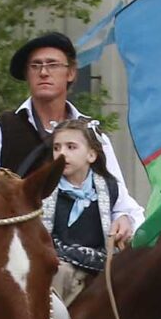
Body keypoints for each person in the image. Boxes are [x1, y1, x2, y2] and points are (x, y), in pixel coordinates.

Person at [0, 32, 142, 248]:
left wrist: (125, 219)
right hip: (15, 264)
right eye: (35, 66)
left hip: (91, 266)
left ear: (71, 73)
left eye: (52, 64)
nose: (43, 72)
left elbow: (121, 203)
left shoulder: (94, 137)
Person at [43, 119, 117, 305]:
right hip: (59, 263)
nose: (62, 154)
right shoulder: (47, 189)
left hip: (99, 262)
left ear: (91, 155)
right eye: (57, 148)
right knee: (59, 274)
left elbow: (120, 217)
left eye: (71, 147)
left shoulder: (107, 187)